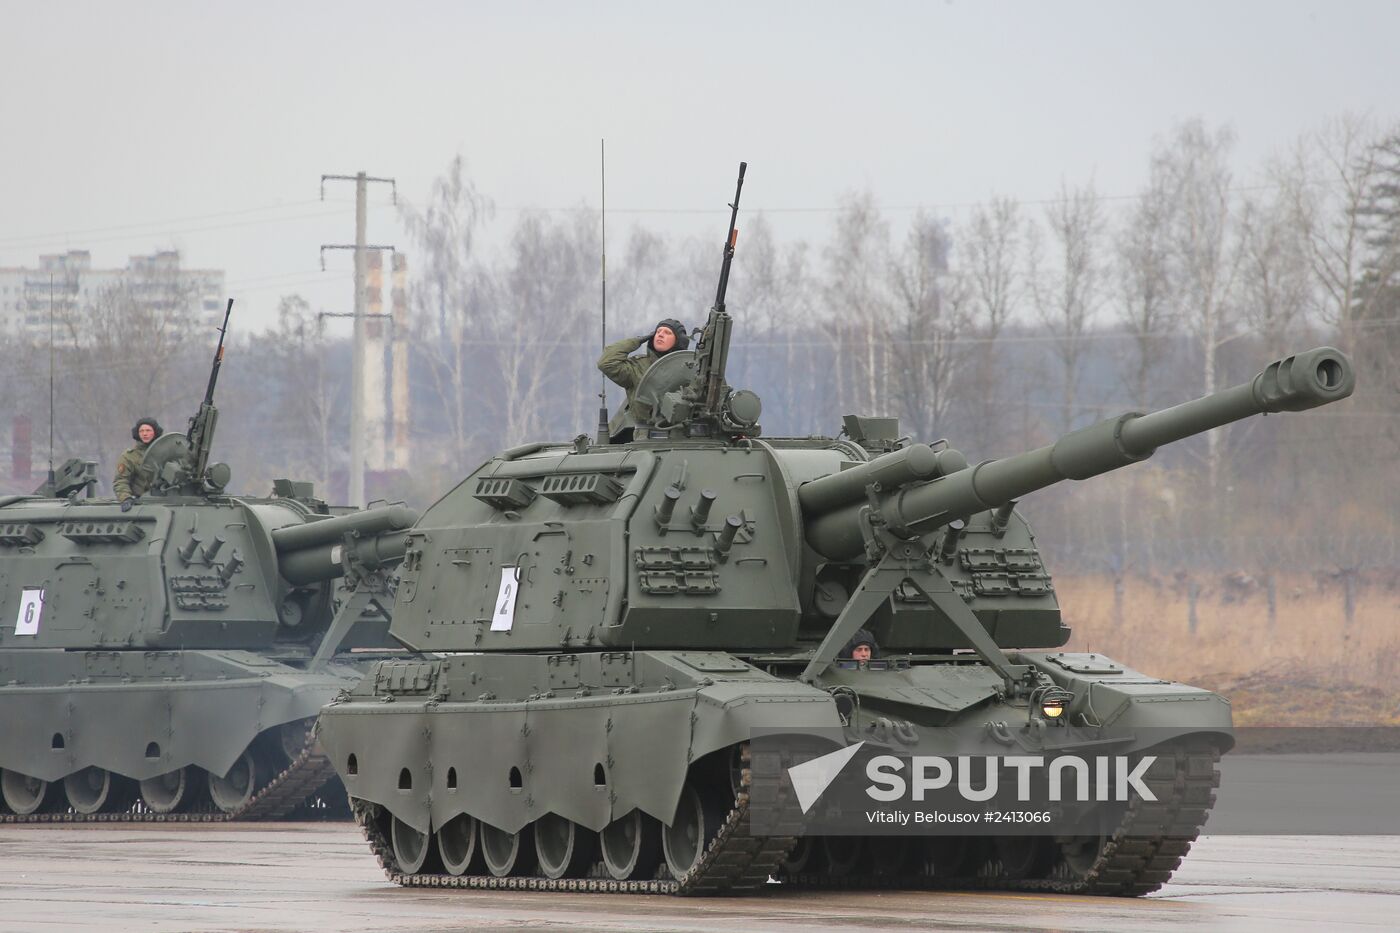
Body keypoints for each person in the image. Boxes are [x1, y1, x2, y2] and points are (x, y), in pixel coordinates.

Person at [597, 319, 689, 439]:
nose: (660, 334)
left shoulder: (689, 368)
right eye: (658, 331)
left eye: (667, 333)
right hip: (645, 438)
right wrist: (638, 340)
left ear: (678, 341)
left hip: (683, 437)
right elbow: (606, 363)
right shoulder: (638, 366)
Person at [114, 416, 163, 503]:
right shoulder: (129, 456)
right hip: (140, 500)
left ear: (155, 432)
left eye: (148, 430)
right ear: (137, 433)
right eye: (141, 431)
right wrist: (126, 498)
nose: (145, 434)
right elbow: (121, 480)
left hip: (164, 499)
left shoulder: (165, 453)